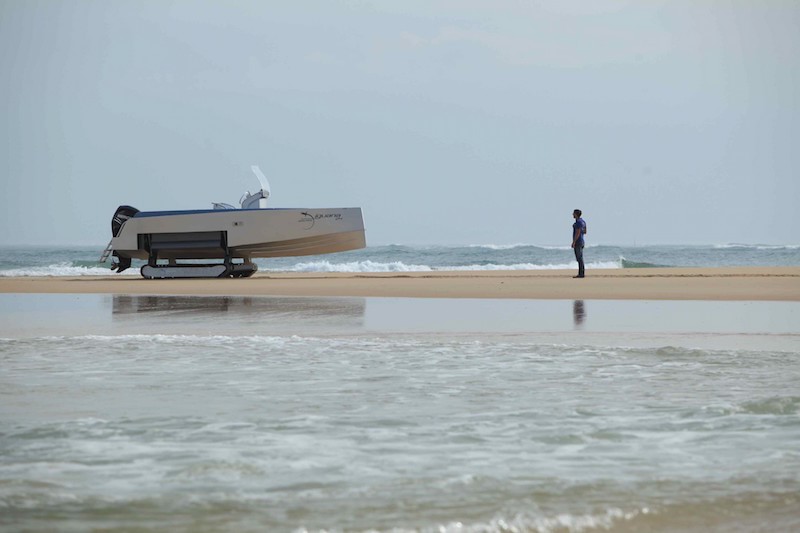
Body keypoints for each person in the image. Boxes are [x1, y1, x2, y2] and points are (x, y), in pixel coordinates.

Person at [571, 209, 587, 278]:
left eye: (573, 214)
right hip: (582, 241)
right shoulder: (583, 221)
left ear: (576, 214)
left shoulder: (578, 222)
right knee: (580, 258)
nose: (572, 215)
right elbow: (585, 231)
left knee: (579, 258)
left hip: (578, 242)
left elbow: (577, 232)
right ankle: (581, 272)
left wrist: (574, 242)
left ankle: (581, 273)